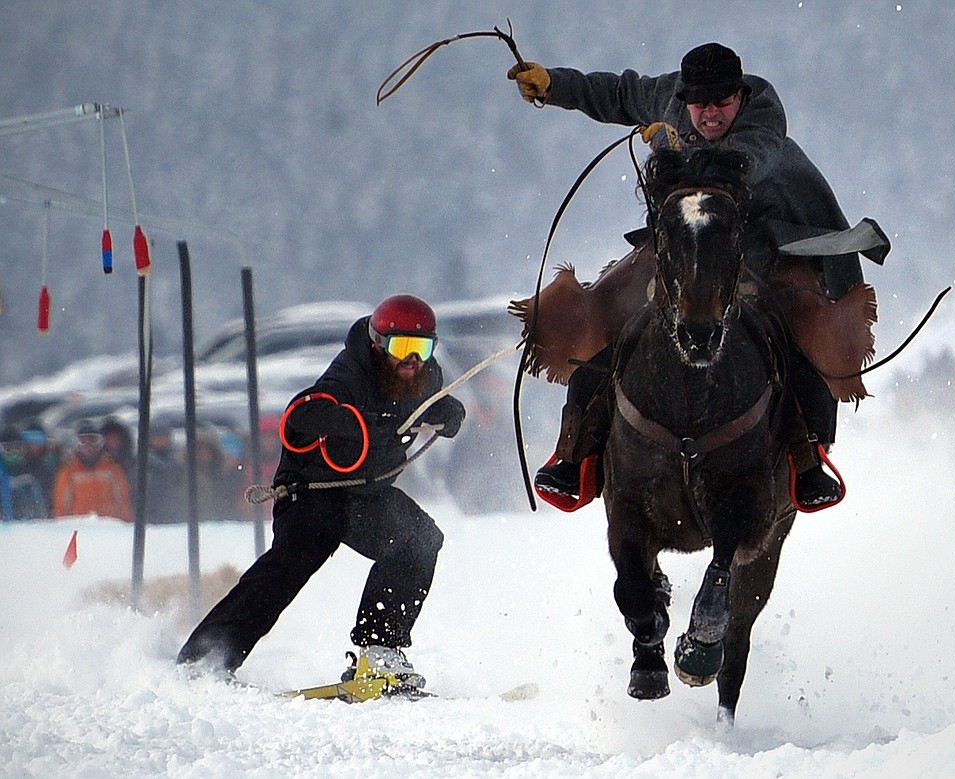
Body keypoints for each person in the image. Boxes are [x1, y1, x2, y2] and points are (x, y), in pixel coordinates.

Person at [508, 42, 879, 509]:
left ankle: (806, 458)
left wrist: (670, 148)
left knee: (789, 332)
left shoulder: (763, 119)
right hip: (683, 239)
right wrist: (556, 85)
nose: (709, 115)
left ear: (740, 97)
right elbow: (620, 94)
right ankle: (576, 454)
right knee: (618, 316)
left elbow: (738, 168)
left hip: (765, 237)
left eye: (721, 104)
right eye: (699, 105)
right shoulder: (669, 97)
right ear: (683, 98)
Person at [176, 295, 465, 690]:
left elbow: (426, 404)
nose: (412, 360)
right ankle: (204, 659)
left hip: (366, 496)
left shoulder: (422, 376)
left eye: (423, 349)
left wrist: (448, 413)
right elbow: (299, 416)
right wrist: (359, 424)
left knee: (419, 540)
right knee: (288, 569)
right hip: (311, 493)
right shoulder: (350, 374)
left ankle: (380, 651)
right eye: (402, 348)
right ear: (380, 346)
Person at [52, 419, 134, 522]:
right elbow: (60, 506)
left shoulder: (113, 469)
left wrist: (126, 525)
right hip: (79, 527)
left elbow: (124, 502)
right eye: (82, 441)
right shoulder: (68, 472)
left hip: (109, 528)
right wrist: (63, 528)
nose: (88, 446)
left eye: (93, 441)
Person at [1, 425, 48, 520]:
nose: (13, 453)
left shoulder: (29, 473)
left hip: (26, 530)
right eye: (8, 449)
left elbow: (40, 510)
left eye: (17, 448)